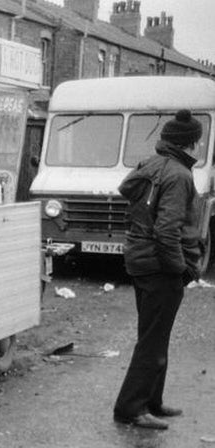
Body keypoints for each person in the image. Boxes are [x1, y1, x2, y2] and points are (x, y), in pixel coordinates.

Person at [112, 109, 204, 430]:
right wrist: (181, 269)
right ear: (189, 144)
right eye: (198, 142)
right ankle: (130, 408)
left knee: (154, 335)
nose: (199, 148)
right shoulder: (179, 174)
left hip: (141, 261)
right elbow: (167, 230)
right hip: (161, 267)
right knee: (152, 340)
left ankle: (152, 400)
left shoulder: (149, 165)